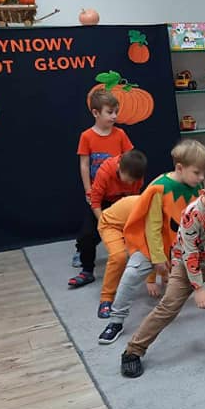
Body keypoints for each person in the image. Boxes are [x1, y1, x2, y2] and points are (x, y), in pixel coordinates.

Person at [120, 162, 205, 377]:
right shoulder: (192, 214)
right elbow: (190, 253)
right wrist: (198, 288)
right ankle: (133, 351)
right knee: (168, 307)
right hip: (186, 266)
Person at [99, 139, 205, 345]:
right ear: (180, 168)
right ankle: (116, 320)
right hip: (152, 245)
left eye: (203, 173)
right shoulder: (160, 188)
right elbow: (152, 227)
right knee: (131, 274)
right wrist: (158, 259)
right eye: (197, 172)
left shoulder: (196, 187)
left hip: (179, 245)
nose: (201, 178)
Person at [70, 90, 133, 283]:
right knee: (88, 235)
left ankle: (136, 262)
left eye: (116, 112)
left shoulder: (120, 134)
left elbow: (130, 161)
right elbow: (84, 165)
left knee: (128, 229)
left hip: (120, 196)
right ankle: (87, 269)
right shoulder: (87, 136)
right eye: (110, 112)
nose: (114, 116)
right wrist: (88, 190)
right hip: (99, 196)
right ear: (96, 113)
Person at [70, 149, 147, 292]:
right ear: (119, 168)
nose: (130, 183)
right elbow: (95, 201)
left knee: (134, 234)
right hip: (102, 203)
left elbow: (133, 200)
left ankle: (132, 268)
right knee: (87, 236)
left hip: (123, 202)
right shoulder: (105, 171)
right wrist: (104, 224)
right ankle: (87, 271)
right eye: (128, 180)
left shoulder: (137, 176)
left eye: (133, 181)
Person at [96, 194, 161, 319]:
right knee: (119, 256)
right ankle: (106, 298)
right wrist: (151, 280)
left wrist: (154, 278)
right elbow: (148, 245)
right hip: (111, 225)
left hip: (129, 226)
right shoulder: (146, 209)